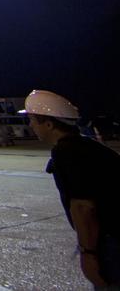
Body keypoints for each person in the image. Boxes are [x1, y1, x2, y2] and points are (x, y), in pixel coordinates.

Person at [22, 90, 120, 289]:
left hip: (111, 240)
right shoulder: (88, 146)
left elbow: (83, 207)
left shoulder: (66, 153)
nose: (30, 125)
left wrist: (88, 254)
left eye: (32, 120)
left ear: (48, 124)